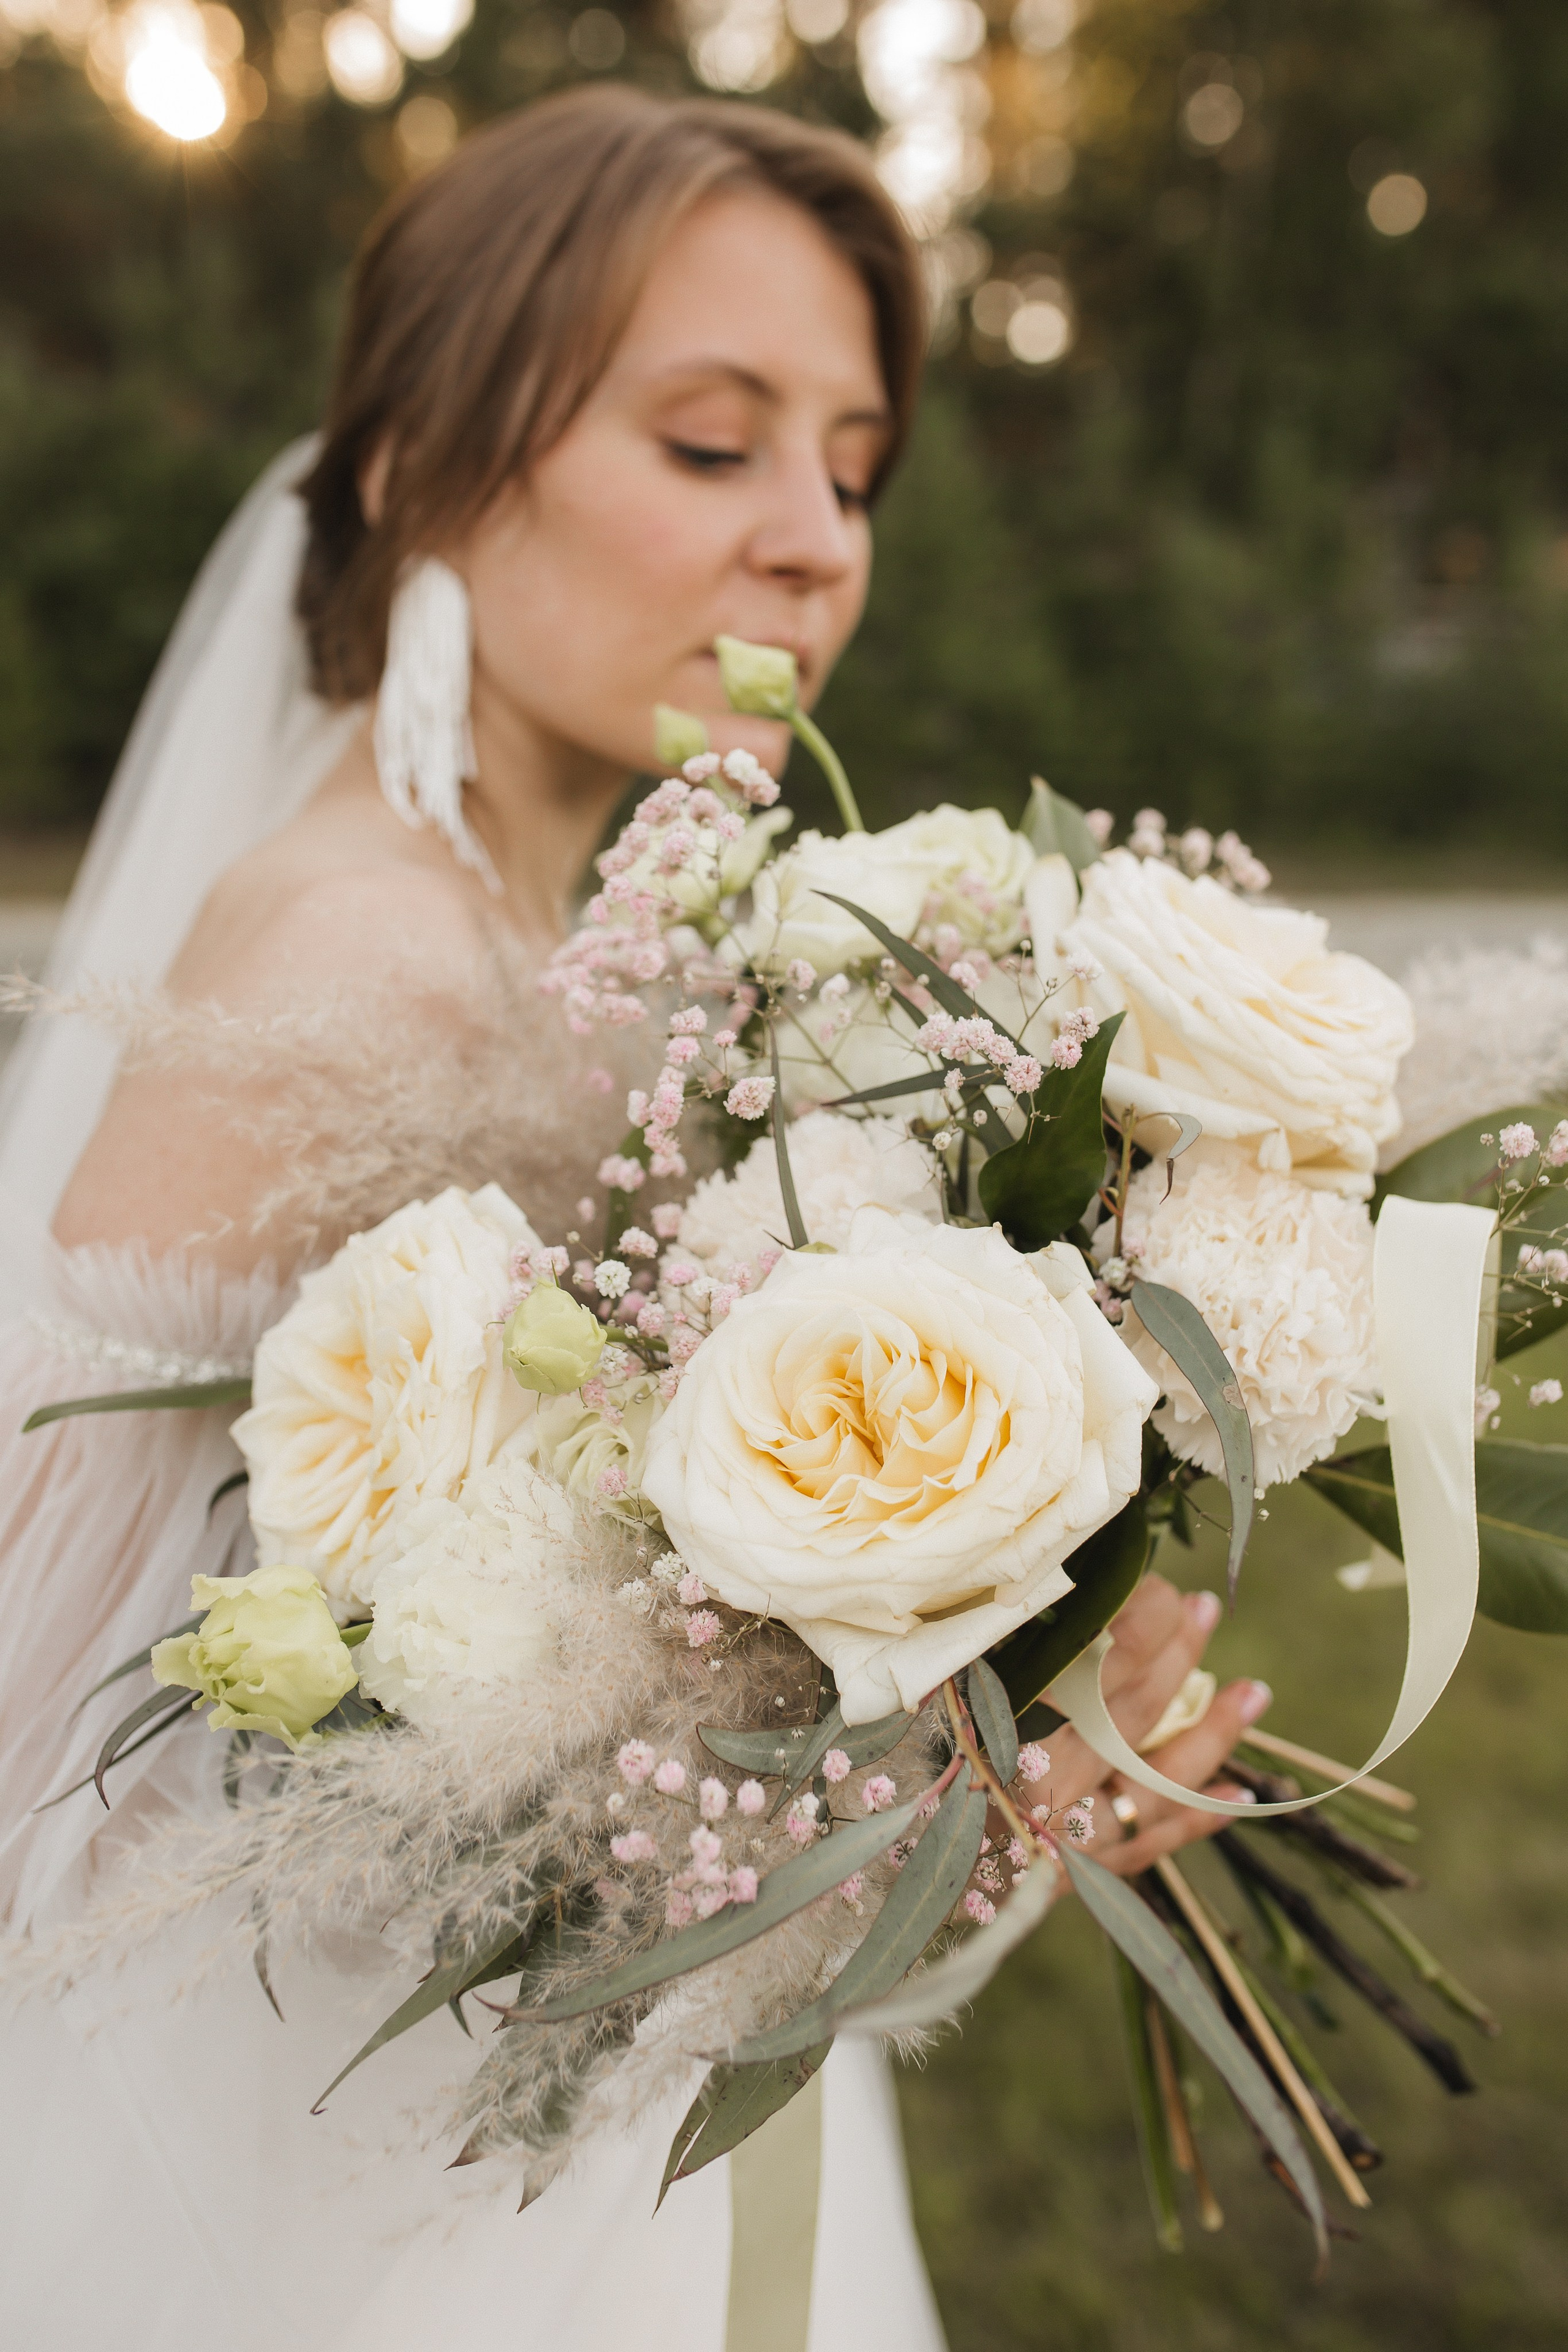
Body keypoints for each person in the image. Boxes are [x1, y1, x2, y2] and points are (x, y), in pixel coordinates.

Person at [0, 85, 1262, 2351]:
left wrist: (982, 1675)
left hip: (544, 2123)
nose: (816, 540)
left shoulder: (589, 954)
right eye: (712, 444)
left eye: (853, 466)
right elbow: (70, 1744)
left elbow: (647, 1653)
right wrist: (925, 1805)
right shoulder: (343, 955)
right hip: (314, 2185)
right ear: (413, 471)